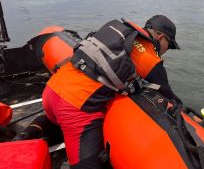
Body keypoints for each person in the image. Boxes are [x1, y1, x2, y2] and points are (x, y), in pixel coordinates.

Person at [42, 15, 180, 169]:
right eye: (170, 45)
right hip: (74, 107)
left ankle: (26, 134)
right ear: (161, 38)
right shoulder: (150, 59)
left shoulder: (118, 33)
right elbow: (169, 97)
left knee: (55, 124)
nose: (167, 51)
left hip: (51, 90)